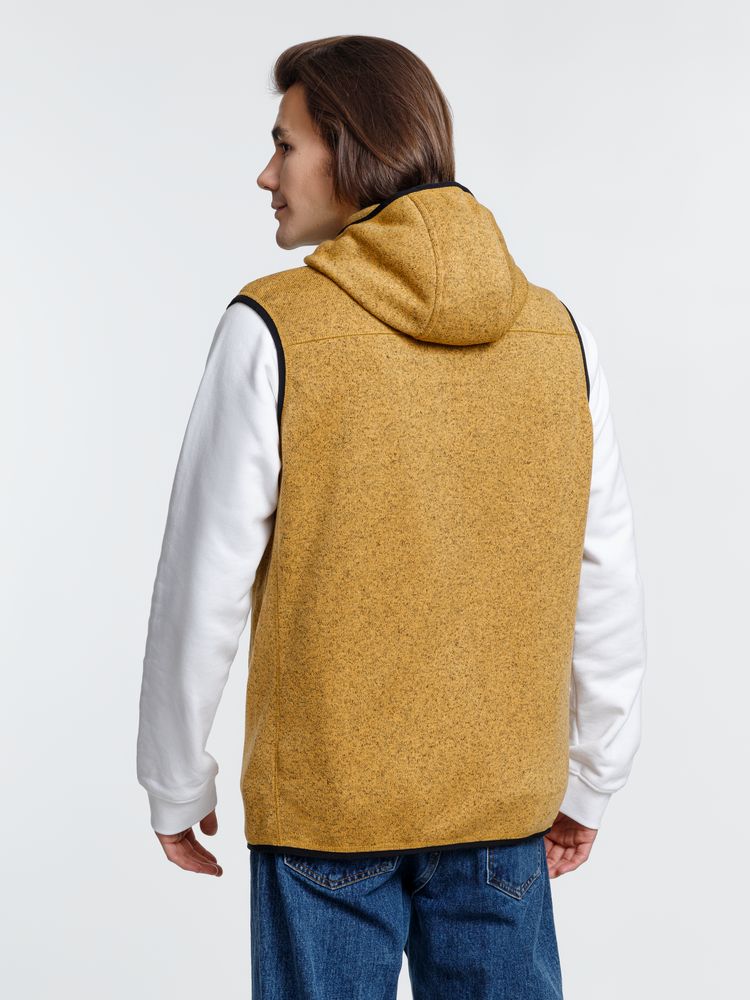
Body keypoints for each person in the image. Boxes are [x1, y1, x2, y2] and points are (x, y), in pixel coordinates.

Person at [137, 35, 647, 999]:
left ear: (349, 146)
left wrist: (173, 778)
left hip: (327, 812)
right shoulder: (557, 335)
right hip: (502, 810)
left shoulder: (272, 327)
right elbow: (605, 575)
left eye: (283, 145)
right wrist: (594, 775)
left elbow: (200, 582)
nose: (266, 175)